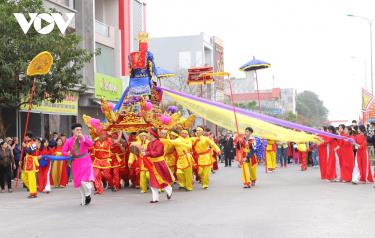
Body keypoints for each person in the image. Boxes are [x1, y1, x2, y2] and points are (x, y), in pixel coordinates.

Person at [62, 123, 95, 206]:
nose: (79, 131)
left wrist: (83, 138)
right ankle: (84, 198)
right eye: (77, 130)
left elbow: (91, 144)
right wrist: (68, 153)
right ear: (73, 131)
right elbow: (63, 152)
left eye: (80, 130)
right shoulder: (69, 141)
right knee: (78, 182)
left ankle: (87, 193)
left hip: (85, 161)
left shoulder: (85, 138)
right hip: (75, 162)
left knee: (84, 180)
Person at [142, 127, 174, 203]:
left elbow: (158, 153)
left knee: (161, 179)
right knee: (153, 181)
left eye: (148, 134)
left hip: (159, 164)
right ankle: (155, 198)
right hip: (152, 164)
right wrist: (144, 150)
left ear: (152, 135)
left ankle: (169, 189)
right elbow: (149, 151)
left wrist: (147, 153)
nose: (147, 135)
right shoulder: (149, 143)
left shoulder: (159, 143)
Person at [21, 132, 39, 198]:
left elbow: (31, 152)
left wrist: (25, 146)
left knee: (31, 178)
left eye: (25, 137)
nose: (25, 138)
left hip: (31, 163)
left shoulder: (34, 144)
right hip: (26, 162)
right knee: (24, 177)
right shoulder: (26, 143)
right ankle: (33, 189)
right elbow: (24, 153)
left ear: (28, 137)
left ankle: (33, 192)